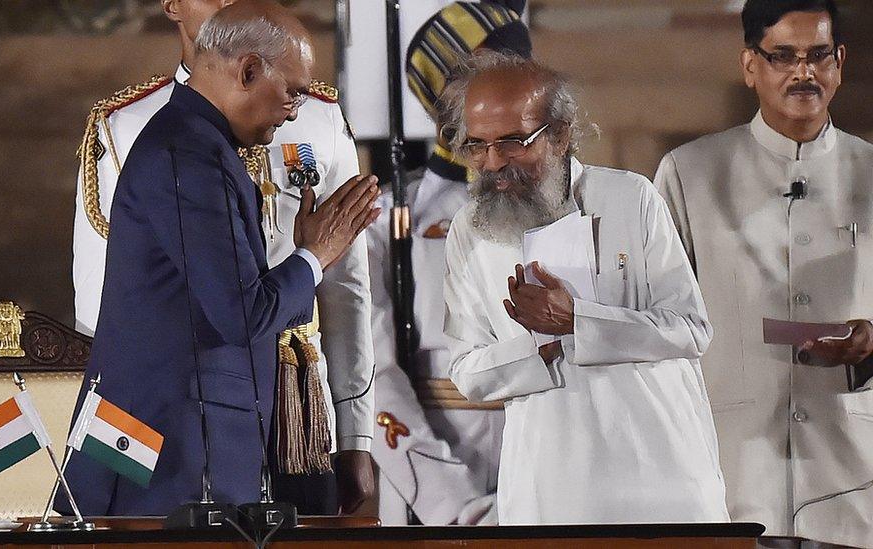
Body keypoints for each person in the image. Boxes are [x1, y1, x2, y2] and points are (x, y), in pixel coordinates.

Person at [60, 2, 380, 515]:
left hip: (230, 424)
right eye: (292, 92)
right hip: (164, 443)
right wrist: (315, 255)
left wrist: (354, 427)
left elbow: (341, 295)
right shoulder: (186, 153)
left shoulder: (204, 143)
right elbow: (239, 312)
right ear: (249, 70)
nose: (296, 109)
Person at [439, 50, 729, 525]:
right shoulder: (470, 230)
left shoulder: (631, 198)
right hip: (548, 486)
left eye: (514, 142)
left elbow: (691, 330)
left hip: (661, 478)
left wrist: (578, 319)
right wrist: (544, 348)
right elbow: (468, 371)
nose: (493, 163)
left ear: (560, 134)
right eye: (477, 145)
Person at [654, 1, 873, 546]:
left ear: (839, 62)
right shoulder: (689, 173)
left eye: (818, 55)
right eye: (784, 57)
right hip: (732, 473)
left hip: (852, 476)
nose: (804, 73)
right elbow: (656, 323)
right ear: (751, 65)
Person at [367, 0, 531, 526]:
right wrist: (452, 505)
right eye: (473, 76)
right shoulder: (383, 217)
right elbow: (371, 374)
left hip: (546, 479)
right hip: (430, 494)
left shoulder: (578, 207)